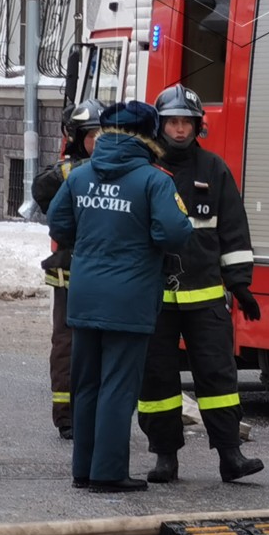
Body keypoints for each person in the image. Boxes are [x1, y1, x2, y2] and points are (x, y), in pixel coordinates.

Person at [46, 100, 194, 493]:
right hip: (129, 297)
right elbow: (174, 232)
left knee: (87, 382)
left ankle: (84, 470)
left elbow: (58, 221)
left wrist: (93, 242)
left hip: (84, 292)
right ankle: (108, 473)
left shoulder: (81, 176)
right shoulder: (153, 180)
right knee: (118, 385)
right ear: (149, 137)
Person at [139, 84, 265, 485]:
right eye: (173, 122)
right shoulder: (144, 170)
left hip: (207, 296)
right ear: (160, 125)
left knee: (219, 379)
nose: (179, 130)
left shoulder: (214, 170)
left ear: (198, 126)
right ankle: (164, 458)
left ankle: (231, 456)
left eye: (186, 123)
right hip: (155, 298)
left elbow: (233, 231)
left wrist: (241, 285)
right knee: (157, 381)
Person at [31, 99, 104, 439]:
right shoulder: (66, 172)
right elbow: (42, 190)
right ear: (76, 137)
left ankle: (99, 410)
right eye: (93, 135)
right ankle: (67, 415)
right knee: (67, 345)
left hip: (106, 273)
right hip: (70, 275)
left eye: (105, 134)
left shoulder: (117, 171)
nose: (100, 141)